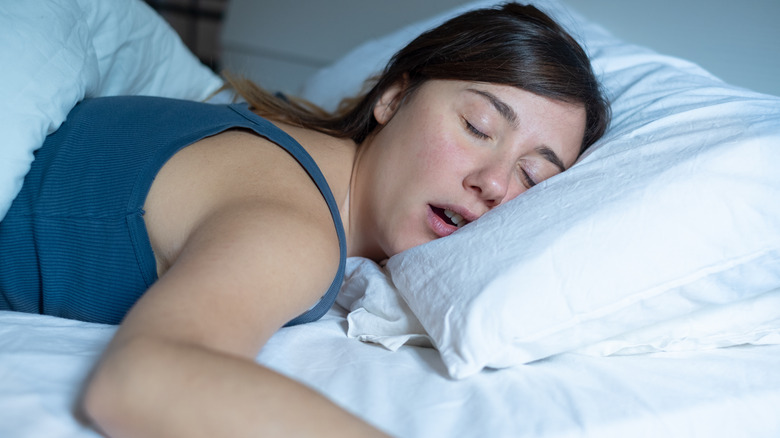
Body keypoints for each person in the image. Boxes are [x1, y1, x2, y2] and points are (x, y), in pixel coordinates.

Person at [0, 3, 609, 436]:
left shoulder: (291, 138)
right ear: (394, 97)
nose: (495, 183)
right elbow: (141, 382)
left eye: (533, 176)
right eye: (477, 126)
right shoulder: (295, 228)